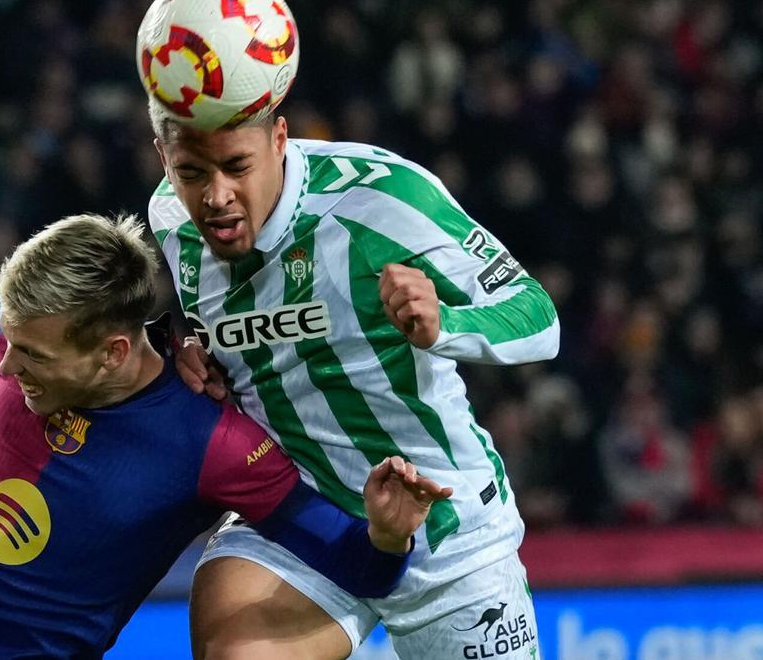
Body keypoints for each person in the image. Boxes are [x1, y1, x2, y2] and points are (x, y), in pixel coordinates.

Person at [0, 214, 453, 659]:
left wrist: (387, 535)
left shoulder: (213, 444)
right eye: (10, 344)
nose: (8, 365)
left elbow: (357, 567)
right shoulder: (18, 333)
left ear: (113, 352)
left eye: (33, 356)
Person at [146, 78, 559, 660]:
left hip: (441, 529)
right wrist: (190, 348)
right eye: (191, 173)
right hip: (303, 516)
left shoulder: (381, 198)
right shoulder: (170, 218)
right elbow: (232, 331)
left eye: (237, 166)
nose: (216, 196)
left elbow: (539, 317)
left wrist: (445, 324)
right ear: (164, 158)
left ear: (279, 139)